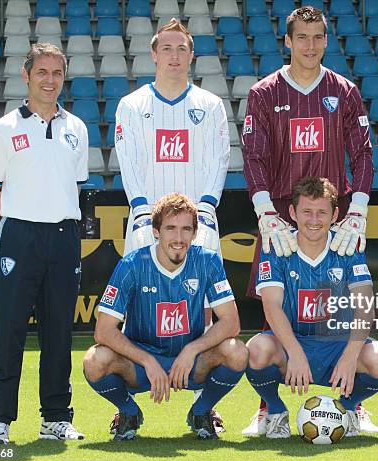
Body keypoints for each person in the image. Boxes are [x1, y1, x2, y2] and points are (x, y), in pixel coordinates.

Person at [241, 6, 375, 434]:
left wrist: (357, 211)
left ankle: (351, 403)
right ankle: (269, 408)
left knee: (337, 308)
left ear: (326, 40)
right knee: (272, 313)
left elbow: (364, 155)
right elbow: (253, 155)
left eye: (318, 37)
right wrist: (265, 212)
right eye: (302, 37)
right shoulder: (264, 93)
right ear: (288, 40)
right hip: (281, 215)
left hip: (331, 215)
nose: (311, 45)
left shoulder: (345, 91)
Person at [113, 18, 231, 432]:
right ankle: (126, 402)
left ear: (191, 54)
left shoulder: (211, 104)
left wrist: (206, 209)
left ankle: (204, 402)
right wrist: (143, 209)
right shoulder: (131, 105)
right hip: (146, 222)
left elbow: (219, 160)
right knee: (131, 309)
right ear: (154, 53)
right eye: (168, 48)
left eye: (182, 48)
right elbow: (127, 161)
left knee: (207, 310)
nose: (175, 55)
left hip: (199, 222)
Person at [0, 43, 88, 445]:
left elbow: (74, 186)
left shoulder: (77, 128)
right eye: (42, 72)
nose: (50, 80)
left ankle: (55, 417)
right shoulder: (4, 128)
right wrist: (14, 226)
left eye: (57, 73)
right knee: (7, 330)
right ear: (26, 76)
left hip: (63, 237)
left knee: (59, 332)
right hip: (19, 235)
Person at [82, 193, 247, 441]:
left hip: (189, 362)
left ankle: (201, 411)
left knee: (237, 351)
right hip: (140, 364)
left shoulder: (207, 260)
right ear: (156, 230)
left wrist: (191, 350)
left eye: (185, 229)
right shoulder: (132, 264)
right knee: (94, 360)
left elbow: (231, 322)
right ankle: (129, 412)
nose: (178, 238)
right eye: (170, 228)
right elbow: (103, 331)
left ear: (194, 233)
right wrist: (148, 361)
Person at [244, 177, 378, 438]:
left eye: (322, 212)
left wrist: (349, 355)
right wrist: (295, 352)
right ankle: (275, 412)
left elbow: (365, 307)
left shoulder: (347, 244)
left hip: (337, 344)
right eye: (306, 212)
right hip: (294, 341)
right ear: (292, 212)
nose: (314, 220)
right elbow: (272, 306)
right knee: (256, 349)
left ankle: (346, 410)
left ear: (335, 214)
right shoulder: (276, 245)